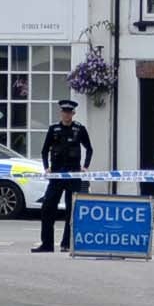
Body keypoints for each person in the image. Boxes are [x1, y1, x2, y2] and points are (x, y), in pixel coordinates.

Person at [33, 98, 94, 253]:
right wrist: (46, 167)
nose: (66, 115)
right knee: (47, 207)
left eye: (69, 112)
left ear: (73, 113)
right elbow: (44, 150)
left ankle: (66, 243)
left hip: (73, 175)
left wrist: (85, 167)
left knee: (71, 210)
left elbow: (89, 149)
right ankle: (46, 244)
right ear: (61, 113)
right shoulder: (53, 129)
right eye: (64, 112)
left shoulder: (79, 129)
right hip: (57, 174)